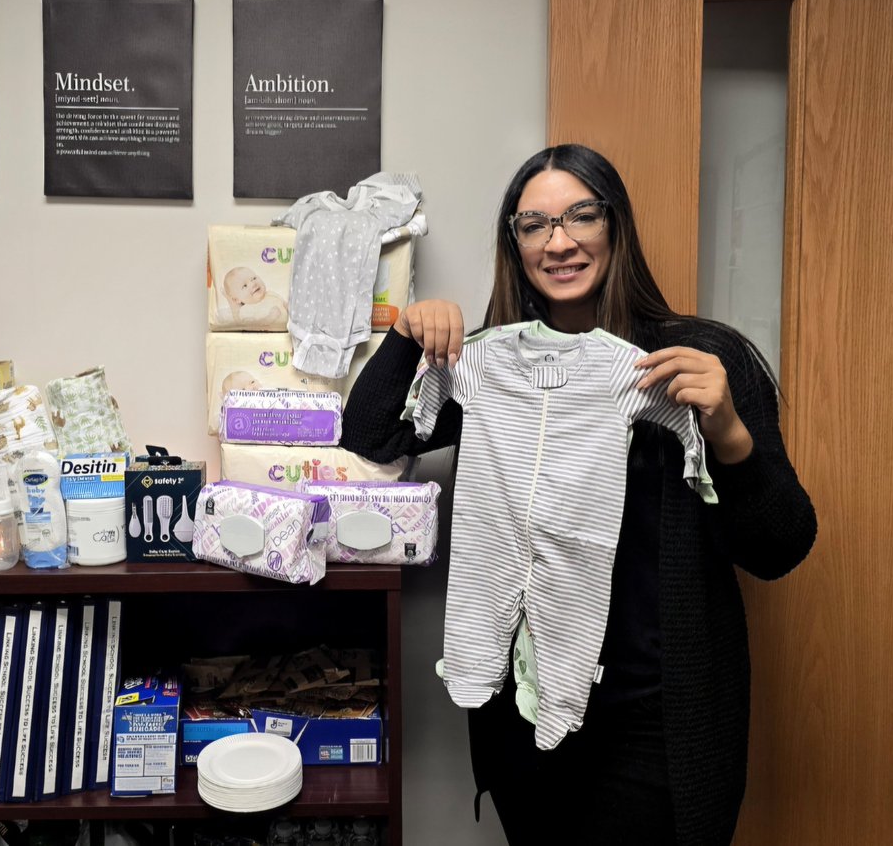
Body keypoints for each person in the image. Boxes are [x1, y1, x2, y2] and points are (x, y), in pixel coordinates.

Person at [340, 144, 817, 846]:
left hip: (654, 720)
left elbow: (782, 546)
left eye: (579, 216)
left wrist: (729, 433)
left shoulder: (693, 362)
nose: (558, 241)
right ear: (516, 242)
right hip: (522, 719)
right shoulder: (491, 362)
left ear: (614, 225)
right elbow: (372, 434)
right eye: (533, 224)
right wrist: (409, 339)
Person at [222, 266, 289, 327]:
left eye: (254, 278)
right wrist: (270, 318)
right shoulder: (245, 311)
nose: (253, 284)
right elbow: (252, 326)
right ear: (237, 300)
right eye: (245, 286)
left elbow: (284, 304)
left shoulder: (271, 294)